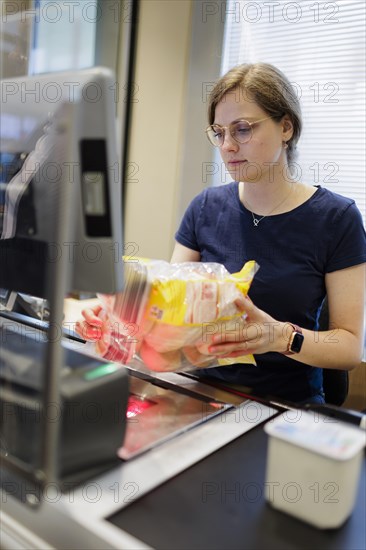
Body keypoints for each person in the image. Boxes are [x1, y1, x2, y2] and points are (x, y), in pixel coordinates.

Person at [77, 62, 366, 405]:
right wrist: (119, 318)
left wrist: (280, 337)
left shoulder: (336, 218)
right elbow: (168, 309)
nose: (227, 145)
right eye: (219, 132)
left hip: (284, 406)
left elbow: (348, 347)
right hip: (200, 391)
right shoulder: (205, 207)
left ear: (286, 127)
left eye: (242, 129)